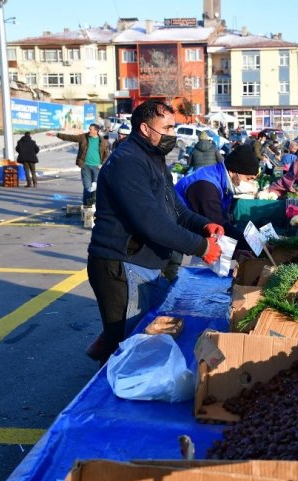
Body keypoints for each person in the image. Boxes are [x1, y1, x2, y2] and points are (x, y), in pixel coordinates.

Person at [85, 100, 223, 363]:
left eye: (174, 127)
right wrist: (201, 247)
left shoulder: (153, 158)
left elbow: (175, 210)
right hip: (121, 265)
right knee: (128, 347)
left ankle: (108, 347)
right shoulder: (127, 162)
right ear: (146, 129)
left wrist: (202, 225)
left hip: (144, 265)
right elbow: (150, 221)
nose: (173, 134)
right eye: (167, 128)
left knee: (139, 336)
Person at [175, 144, 260, 250]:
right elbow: (219, 225)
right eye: (248, 179)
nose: (250, 183)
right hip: (174, 237)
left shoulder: (221, 179)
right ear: (233, 172)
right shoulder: (206, 186)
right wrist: (255, 246)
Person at [48, 123, 110, 206]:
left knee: (96, 186)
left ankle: (94, 204)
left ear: (96, 131)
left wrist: (102, 164)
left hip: (97, 167)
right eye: (89, 129)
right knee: (87, 186)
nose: (89, 131)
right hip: (85, 166)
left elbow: (107, 154)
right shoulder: (83, 137)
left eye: (91, 129)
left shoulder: (102, 141)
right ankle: (86, 204)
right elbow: (70, 137)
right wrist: (57, 134)